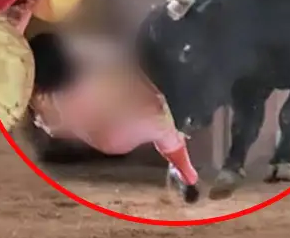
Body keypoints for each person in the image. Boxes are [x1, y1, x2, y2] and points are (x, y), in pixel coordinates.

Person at [25, 31, 201, 203]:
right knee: (163, 125)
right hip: (148, 118)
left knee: (76, 121)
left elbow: (56, 130)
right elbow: (124, 61)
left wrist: (43, 117)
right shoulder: (95, 66)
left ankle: (179, 160)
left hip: (111, 141)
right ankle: (189, 175)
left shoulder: (56, 100)